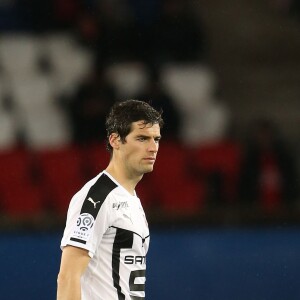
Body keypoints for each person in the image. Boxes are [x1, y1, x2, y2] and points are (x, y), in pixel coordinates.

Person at [57, 99, 163, 300]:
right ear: (115, 140)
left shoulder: (131, 199)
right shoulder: (97, 197)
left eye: (156, 139)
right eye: (141, 138)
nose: (152, 147)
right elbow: (68, 276)